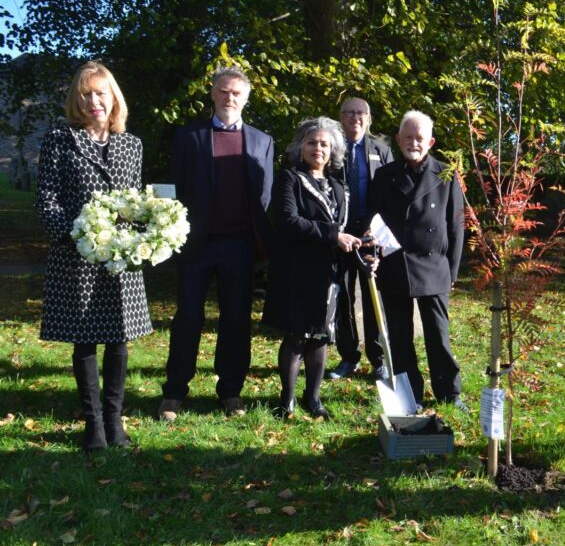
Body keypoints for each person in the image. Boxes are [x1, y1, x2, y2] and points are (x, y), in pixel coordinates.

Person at [36, 61, 152, 451]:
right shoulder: (59, 139)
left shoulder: (131, 145)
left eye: (100, 93)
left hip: (120, 260)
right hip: (78, 257)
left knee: (119, 340)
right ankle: (94, 425)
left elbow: (135, 204)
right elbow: (46, 200)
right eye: (85, 94)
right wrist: (76, 235)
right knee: (84, 341)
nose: (93, 101)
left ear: (113, 97)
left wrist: (144, 236)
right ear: (76, 100)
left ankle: (115, 421)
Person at [157, 66, 274, 421]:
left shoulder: (262, 141)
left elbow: (265, 195)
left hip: (240, 245)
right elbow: (172, 189)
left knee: (236, 322)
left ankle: (231, 392)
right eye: (223, 91)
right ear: (212, 94)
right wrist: (169, 235)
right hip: (196, 245)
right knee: (188, 318)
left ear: (246, 98)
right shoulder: (189, 136)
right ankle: (174, 393)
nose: (229, 98)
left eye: (236, 93)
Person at [367, 110, 467, 411]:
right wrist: (375, 256)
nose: (413, 142)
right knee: (399, 336)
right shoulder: (384, 176)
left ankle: (449, 392)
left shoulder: (446, 174)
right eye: (408, 137)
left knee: (438, 335)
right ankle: (410, 394)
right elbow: (374, 221)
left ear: (430, 142)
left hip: (434, 266)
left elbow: (456, 225)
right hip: (395, 265)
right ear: (398, 140)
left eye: (419, 138)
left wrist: (452, 271)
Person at [263, 117, 360, 419]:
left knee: (321, 336)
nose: (318, 148)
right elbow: (288, 221)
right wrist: (333, 236)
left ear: (333, 151)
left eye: (324, 144)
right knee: (297, 335)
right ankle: (287, 400)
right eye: (312, 142)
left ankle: (314, 399)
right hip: (297, 269)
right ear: (300, 147)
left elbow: (344, 227)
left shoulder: (339, 186)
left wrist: (360, 243)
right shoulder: (290, 178)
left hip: (329, 273)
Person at [330, 97, 394, 381]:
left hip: (372, 236)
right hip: (341, 235)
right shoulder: (331, 148)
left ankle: (378, 359)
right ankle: (348, 357)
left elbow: (392, 193)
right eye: (349, 113)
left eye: (360, 113)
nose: (355, 117)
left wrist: (379, 229)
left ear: (368, 119)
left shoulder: (382, 150)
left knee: (373, 297)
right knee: (343, 297)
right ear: (340, 118)